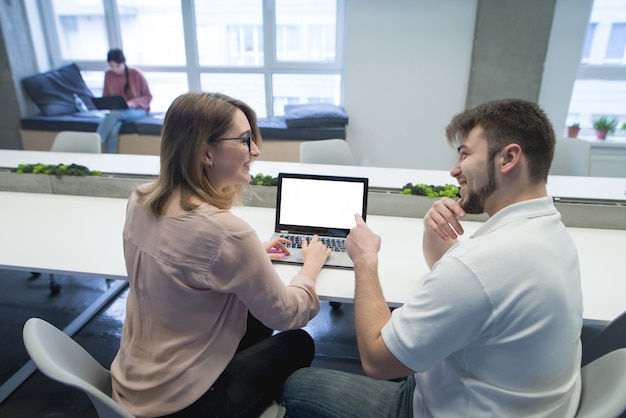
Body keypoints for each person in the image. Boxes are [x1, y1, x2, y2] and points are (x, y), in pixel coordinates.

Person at [282, 99, 584, 417]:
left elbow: (376, 359)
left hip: (440, 408)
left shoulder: (481, 264)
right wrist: (433, 230)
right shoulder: (551, 232)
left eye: (465, 154)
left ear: (508, 158)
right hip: (501, 397)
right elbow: (463, 278)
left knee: (297, 384)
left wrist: (365, 260)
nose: (454, 170)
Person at [110, 91, 331, 417]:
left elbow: (185, 257)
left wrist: (250, 256)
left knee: (252, 313)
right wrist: (309, 269)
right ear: (206, 153)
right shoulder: (228, 233)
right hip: (187, 405)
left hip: (134, 383)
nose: (254, 151)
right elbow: (286, 314)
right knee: (299, 341)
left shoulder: (140, 199)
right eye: (244, 140)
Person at [97, 48, 152, 153]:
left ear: (123, 63)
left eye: (117, 66)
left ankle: (96, 140)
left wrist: (133, 102)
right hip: (117, 110)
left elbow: (148, 96)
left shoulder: (135, 74)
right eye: (112, 66)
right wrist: (106, 103)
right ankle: (110, 160)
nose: (115, 69)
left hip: (139, 110)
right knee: (114, 128)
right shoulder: (108, 75)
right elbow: (106, 95)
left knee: (116, 115)